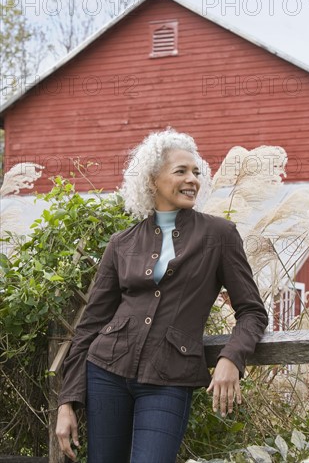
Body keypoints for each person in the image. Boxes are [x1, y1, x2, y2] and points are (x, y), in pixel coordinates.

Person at [56, 128, 268, 463]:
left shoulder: (220, 235)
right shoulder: (121, 242)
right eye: (181, 171)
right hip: (106, 372)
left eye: (197, 172)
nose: (192, 179)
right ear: (153, 179)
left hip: (170, 378)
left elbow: (253, 312)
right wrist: (67, 402)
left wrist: (231, 358)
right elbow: (90, 325)